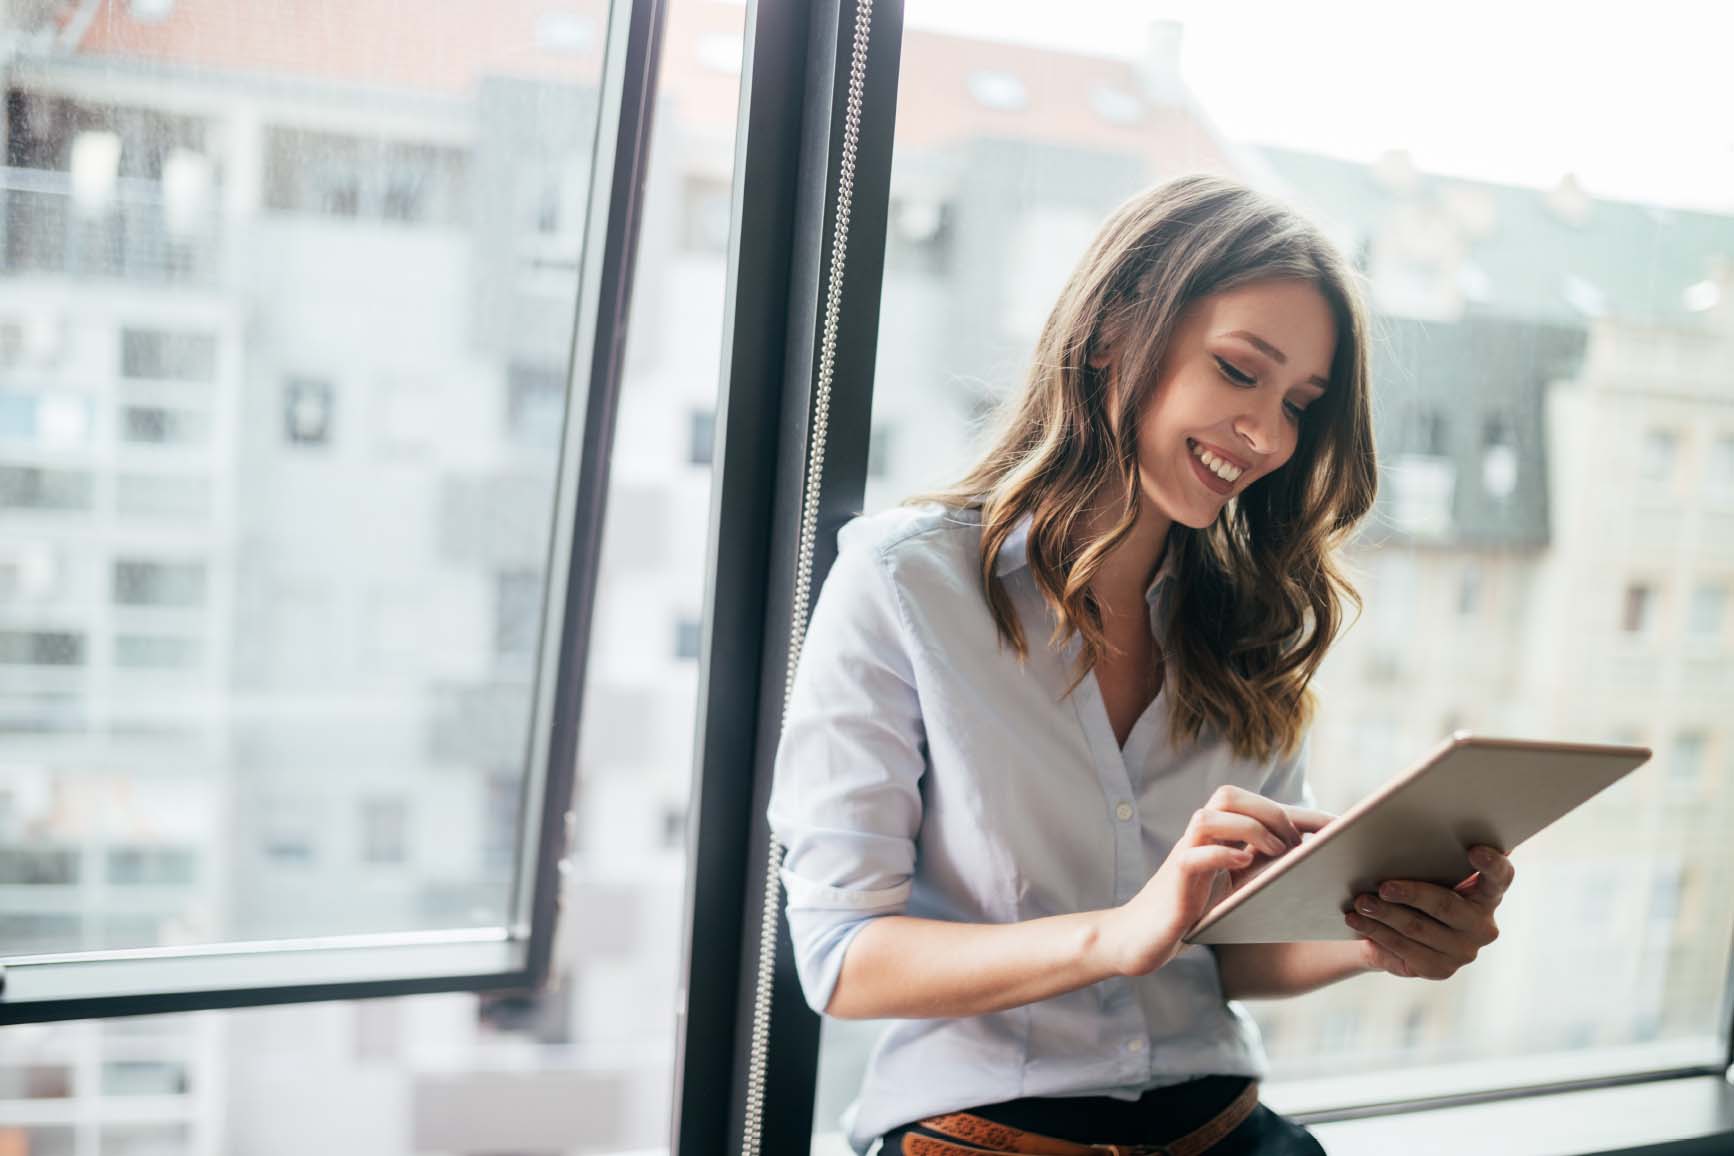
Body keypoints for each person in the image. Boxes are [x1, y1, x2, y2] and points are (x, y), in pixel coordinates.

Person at [766, 173, 1514, 1156]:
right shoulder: (905, 583)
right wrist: (1120, 931)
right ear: (1118, 329)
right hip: (981, 1131)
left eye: (1299, 402)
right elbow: (841, 957)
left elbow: (1229, 953)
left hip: (1231, 1130)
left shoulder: (1247, 620)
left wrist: (1381, 940)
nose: (1269, 435)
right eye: (1240, 371)